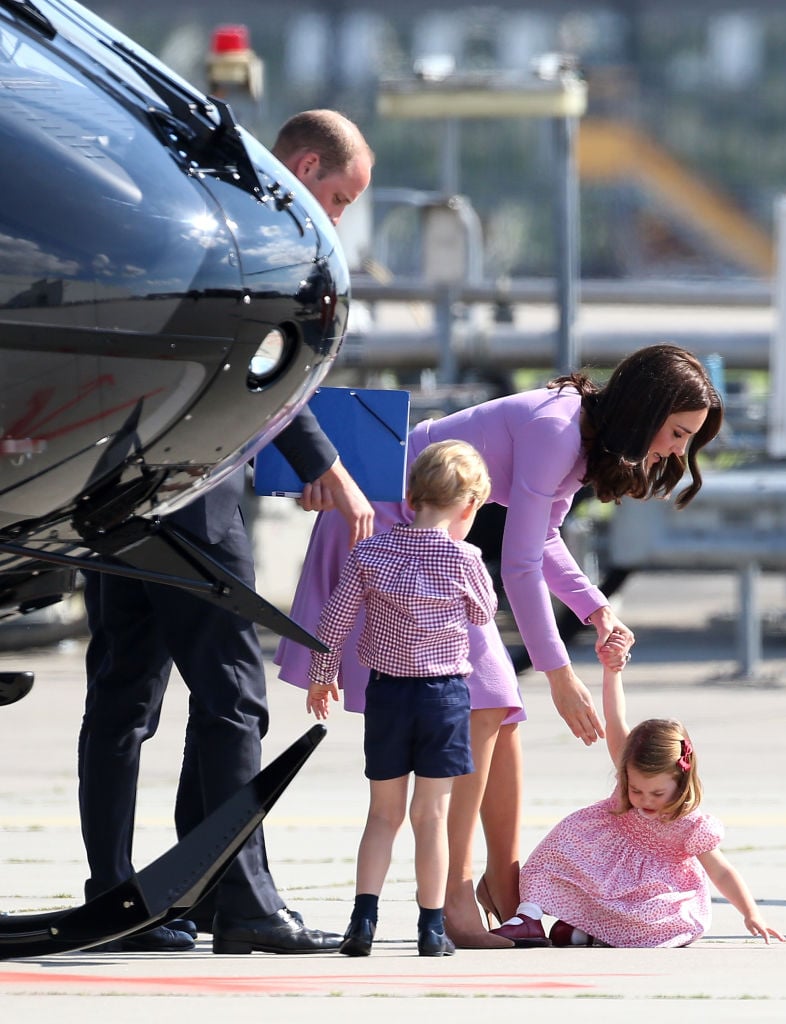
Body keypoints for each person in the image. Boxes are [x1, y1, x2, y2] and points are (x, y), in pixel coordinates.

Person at [275, 343, 724, 949]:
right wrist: (560, 674)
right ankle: (455, 900)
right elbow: (518, 564)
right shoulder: (558, 429)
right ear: (647, 410)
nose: (676, 450)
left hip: (429, 535)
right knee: (486, 700)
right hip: (392, 523)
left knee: (500, 709)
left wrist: (595, 608)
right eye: (676, 432)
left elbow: (542, 541)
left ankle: (504, 889)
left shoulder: (578, 433)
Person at [77, 109, 375, 954]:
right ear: (306, 165)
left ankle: (120, 900)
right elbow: (260, 356)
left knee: (122, 700)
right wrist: (326, 464)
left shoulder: (172, 204)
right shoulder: (250, 229)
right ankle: (239, 902)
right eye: (341, 196)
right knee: (233, 698)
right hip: (193, 496)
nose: (338, 216)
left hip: (112, 492)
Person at [307, 441, 497, 958]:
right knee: (430, 817)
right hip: (444, 698)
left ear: (410, 495)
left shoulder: (369, 554)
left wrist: (322, 676)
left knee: (382, 815)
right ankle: (431, 929)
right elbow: (483, 614)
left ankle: (362, 922)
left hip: (387, 694)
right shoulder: (465, 558)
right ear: (469, 505)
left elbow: (335, 619)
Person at [491, 634, 786, 948]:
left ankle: (584, 933)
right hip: (601, 860)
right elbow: (615, 717)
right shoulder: (628, 768)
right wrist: (612, 671)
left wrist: (751, 913)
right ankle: (528, 917)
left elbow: (722, 871)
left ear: (682, 780)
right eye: (636, 790)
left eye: (657, 794)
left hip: (649, 890)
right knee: (551, 858)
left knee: (675, 921)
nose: (645, 800)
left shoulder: (689, 824)